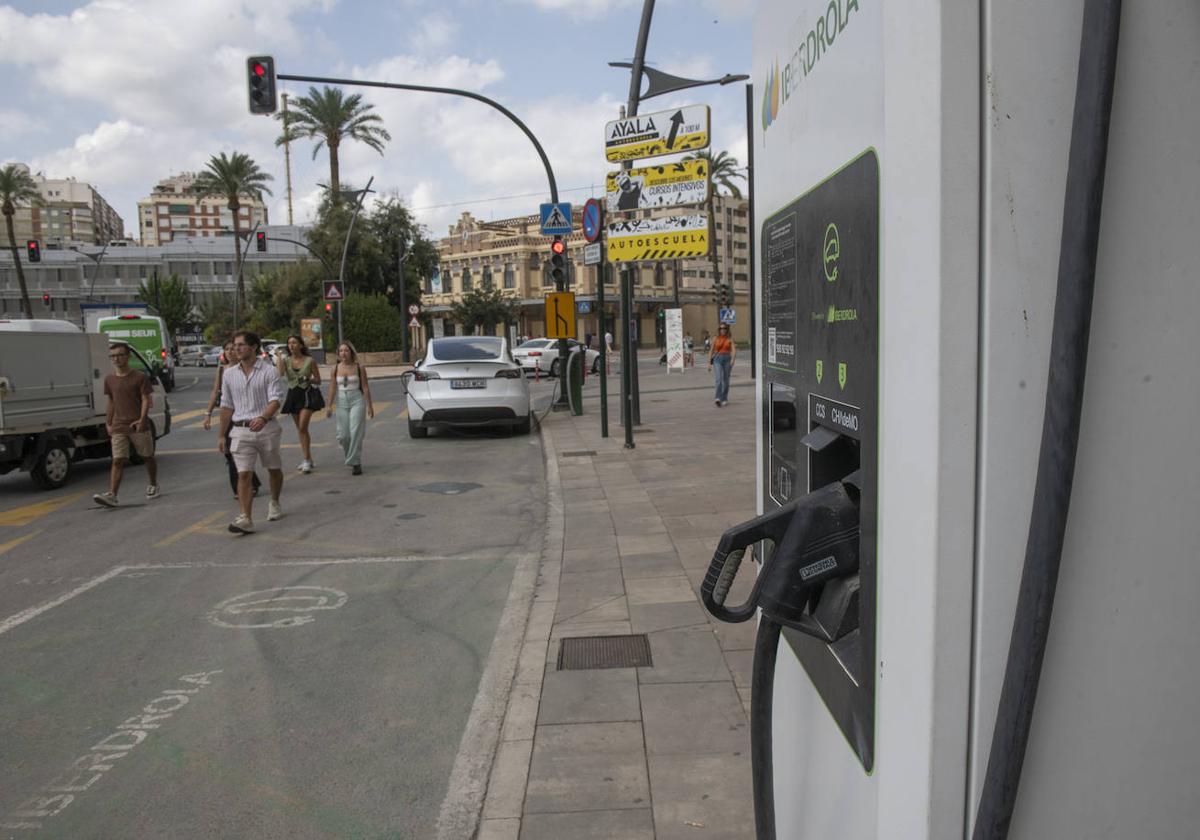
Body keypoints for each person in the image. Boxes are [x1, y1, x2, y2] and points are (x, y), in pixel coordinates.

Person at [217, 331, 286, 534]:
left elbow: (275, 399)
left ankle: (274, 501)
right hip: (240, 430)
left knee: (273, 468)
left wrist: (263, 417)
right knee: (244, 474)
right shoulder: (229, 374)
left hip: (267, 428)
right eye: (234, 345)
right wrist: (221, 434)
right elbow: (226, 406)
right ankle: (245, 517)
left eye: (240, 345)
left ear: (254, 347)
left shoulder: (269, 371)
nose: (236, 349)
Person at [93, 343, 159, 507]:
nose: (116, 358)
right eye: (113, 356)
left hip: (137, 424)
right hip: (118, 425)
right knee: (117, 460)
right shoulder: (109, 379)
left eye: (120, 355)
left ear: (128, 356)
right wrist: (108, 422)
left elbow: (145, 399)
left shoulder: (140, 377)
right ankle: (112, 495)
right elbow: (112, 402)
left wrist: (143, 419)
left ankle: (153, 483)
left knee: (147, 457)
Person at [204, 340, 261, 498]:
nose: (230, 352)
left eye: (232, 349)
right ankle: (244, 486)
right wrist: (207, 414)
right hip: (227, 415)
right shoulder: (222, 371)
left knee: (241, 450)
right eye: (227, 349)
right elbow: (216, 391)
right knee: (230, 452)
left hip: (244, 415)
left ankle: (247, 485)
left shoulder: (247, 369)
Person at [326, 341, 374, 475]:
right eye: (341, 351)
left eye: (346, 350)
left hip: (357, 400)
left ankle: (356, 462)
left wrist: (370, 406)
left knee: (356, 431)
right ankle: (351, 457)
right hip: (341, 401)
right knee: (343, 435)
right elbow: (332, 387)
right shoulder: (335, 369)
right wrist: (328, 406)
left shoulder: (359, 367)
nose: (343, 353)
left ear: (351, 352)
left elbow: (365, 387)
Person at [277, 334, 323, 473]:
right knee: (301, 430)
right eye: (289, 343)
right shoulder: (286, 361)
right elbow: (279, 373)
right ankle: (307, 458)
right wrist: (279, 357)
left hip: (306, 394)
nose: (291, 345)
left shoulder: (310, 361)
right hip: (293, 395)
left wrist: (309, 379)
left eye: (294, 343)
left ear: (301, 345)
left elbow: (318, 380)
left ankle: (306, 460)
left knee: (303, 426)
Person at [707, 324, 737, 407]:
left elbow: (734, 350)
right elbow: (711, 351)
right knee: (718, 379)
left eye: (724, 328)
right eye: (721, 328)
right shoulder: (715, 338)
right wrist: (709, 363)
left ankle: (724, 398)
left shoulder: (730, 339)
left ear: (727, 329)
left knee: (726, 380)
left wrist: (732, 361)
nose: (722, 330)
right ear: (719, 330)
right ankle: (718, 398)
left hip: (727, 359)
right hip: (717, 359)